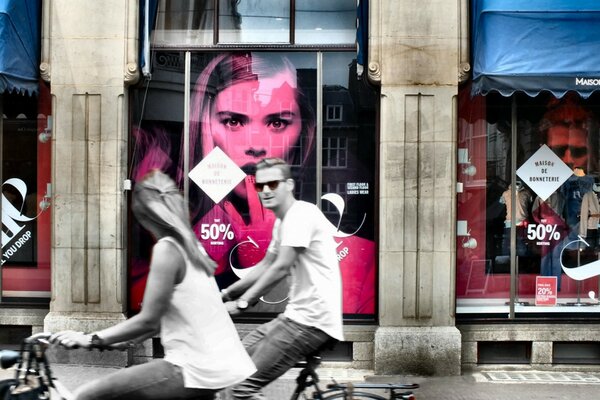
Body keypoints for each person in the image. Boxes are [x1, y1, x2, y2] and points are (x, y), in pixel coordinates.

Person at [131, 52, 376, 315]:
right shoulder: (165, 243)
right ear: (204, 126)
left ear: (303, 133)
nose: (256, 146)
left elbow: (319, 309)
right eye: (233, 121)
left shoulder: (359, 258)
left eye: (277, 122)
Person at [49, 170, 256, 400]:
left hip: (193, 368)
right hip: (218, 366)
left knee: (87, 395)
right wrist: (124, 340)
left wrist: (90, 339)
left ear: (141, 218)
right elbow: (167, 318)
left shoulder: (167, 250)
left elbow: (148, 318)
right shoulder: (192, 247)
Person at [220, 157, 344, 400]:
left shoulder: (301, 215)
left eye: (273, 184)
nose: (265, 190)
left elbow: (281, 267)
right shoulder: (282, 222)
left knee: (241, 389)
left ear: (289, 185)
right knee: (232, 367)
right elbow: (265, 264)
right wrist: (225, 294)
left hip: (310, 322)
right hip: (295, 317)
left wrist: (242, 303)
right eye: (260, 185)